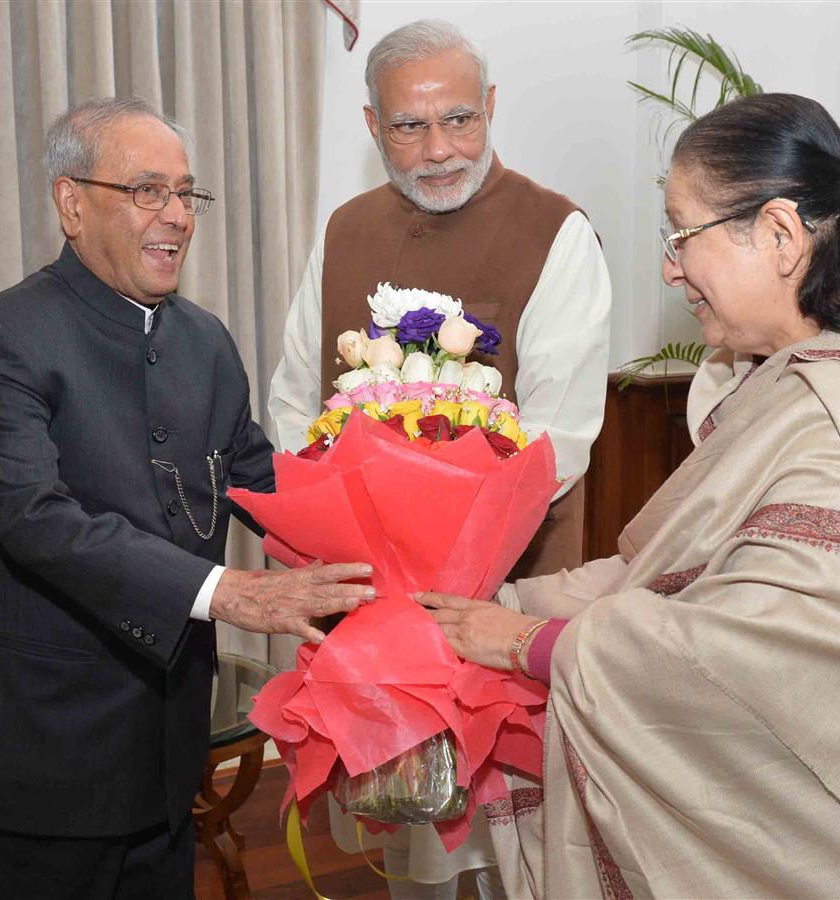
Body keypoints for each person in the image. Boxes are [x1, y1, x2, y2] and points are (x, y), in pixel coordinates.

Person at [419, 93, 840, 897]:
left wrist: (527, 644)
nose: (670, 267)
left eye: (680, 234)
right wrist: (513, 602)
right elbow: (681, 572)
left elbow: (759, 654)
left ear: (778, 234)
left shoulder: (836, 409)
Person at [0, 97, 374, 899]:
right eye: (147, 192)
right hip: (44, 746)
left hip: (168, 742)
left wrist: (381, 548)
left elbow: (256, 481)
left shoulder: (204, 339)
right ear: (71, 203)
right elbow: (38, 520)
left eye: (186, 194)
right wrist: (228, 592)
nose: (176, 215)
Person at [266, 20, 611, 898]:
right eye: (411, 128)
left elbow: (559, 434)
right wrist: (356, 541)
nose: (439, 151)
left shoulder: (556, 230)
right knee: (404, 841)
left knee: (511, 851)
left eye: (459, 120)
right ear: (374, 126)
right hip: (368, 595)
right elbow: (294, 398)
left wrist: (447, 554)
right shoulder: (345, 229)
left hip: (505, 586)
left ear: (491, 108)